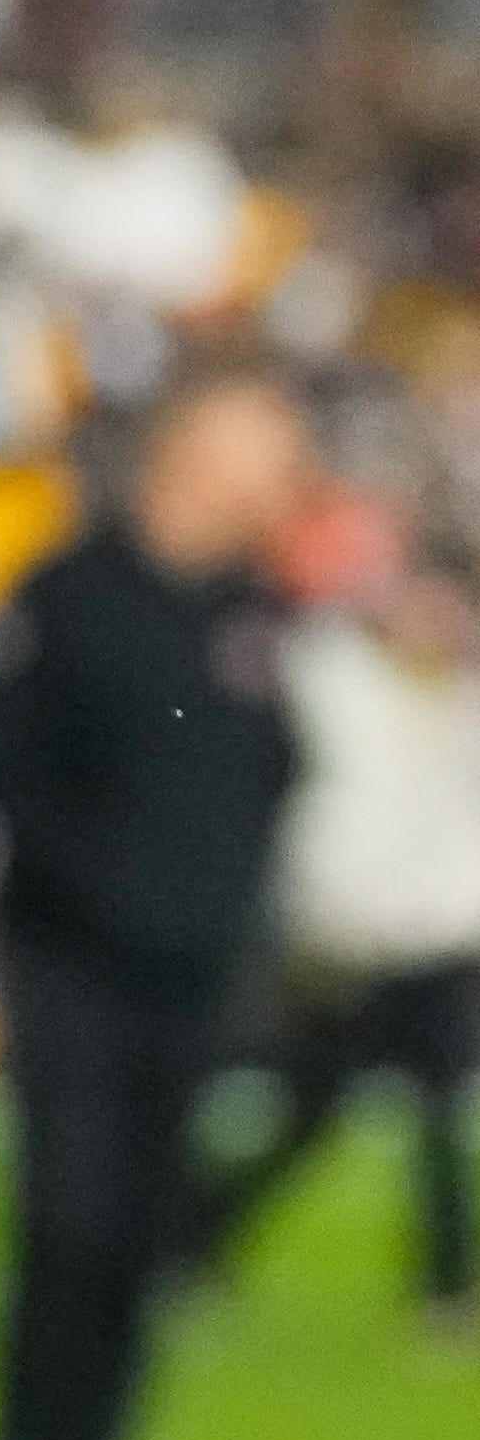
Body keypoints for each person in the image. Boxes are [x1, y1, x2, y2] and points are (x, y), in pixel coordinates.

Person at [0, 364, 315, 1440]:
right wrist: (102, 898)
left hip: (193, 986)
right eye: (260, 440)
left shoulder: (258, 611)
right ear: (189, 448)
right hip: (74, 977)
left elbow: (274, 773)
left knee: (140, 1252)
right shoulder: (71, 590)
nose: (280, 469)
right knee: (65, 1233)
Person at [184, 551, 480, 1341]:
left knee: (443, 1117)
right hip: (344, 945)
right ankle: (197, 1234)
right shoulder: (333, 682)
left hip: (438, 947)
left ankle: (447, 1288)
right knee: (309, 1114)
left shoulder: (460, 700)